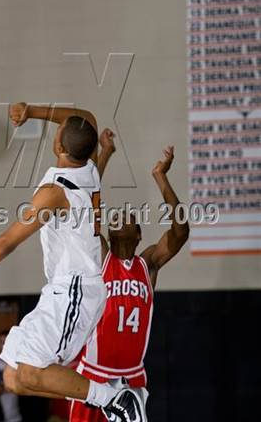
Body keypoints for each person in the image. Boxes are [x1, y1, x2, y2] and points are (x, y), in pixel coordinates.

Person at [0, 104, 140, 422]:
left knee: (32, 372)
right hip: (64, 290)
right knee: (13, 378)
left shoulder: (55, 192)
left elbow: (4, 244)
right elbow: (83, 117)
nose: (58, 128)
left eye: (59, 130)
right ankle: (107, 393)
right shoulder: (87, 167)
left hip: (75, 291)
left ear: (60, 146)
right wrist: (32, 111)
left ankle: (117, 397)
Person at [70, 145, 190, 422]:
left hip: (132, 376)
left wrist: (161, 177)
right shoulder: (99, 257)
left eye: (129, 216)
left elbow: (180, 230)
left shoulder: (147, 264)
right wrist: (105, 155)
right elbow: (85, 205)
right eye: (116, 215)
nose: (120, 215)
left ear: (139, 234)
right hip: (94, 375)